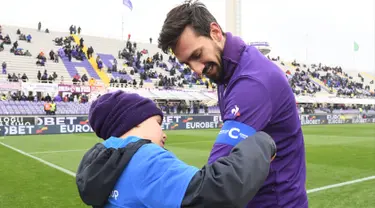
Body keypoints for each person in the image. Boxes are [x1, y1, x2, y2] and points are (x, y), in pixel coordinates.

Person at [157, 1, 308, 207]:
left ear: (216, 33)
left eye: (197, 55)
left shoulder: (252, 82)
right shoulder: (226, 70)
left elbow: (216, 184)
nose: (197, 70)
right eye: (187, 63)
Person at [76, 90, 276, 208]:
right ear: (134, 123)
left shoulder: (97, 159)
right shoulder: (143, 158)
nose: (164, 134)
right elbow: (217, 191)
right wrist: (261, 143)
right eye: (157, 123)